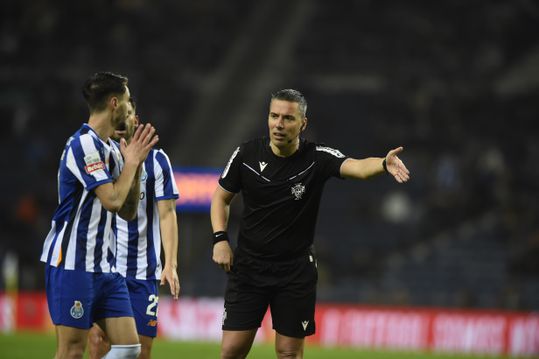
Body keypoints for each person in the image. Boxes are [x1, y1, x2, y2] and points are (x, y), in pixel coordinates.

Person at [211, 89, 410, 359]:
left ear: (303, 123)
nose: (279, 124)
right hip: (248, 268)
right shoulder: (246, 154)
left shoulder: (316, 158)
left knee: (289, 354)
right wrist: (220, 239)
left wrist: (383, 164)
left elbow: (357, 167)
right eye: (274, 116)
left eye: (288, 118)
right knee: (231, 351)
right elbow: (220, 198)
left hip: (294, 273)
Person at [40, 72, 158, 359]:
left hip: (105, 268)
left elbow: (128, 212)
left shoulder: (110, 150)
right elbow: (113, 201)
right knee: (72, 351)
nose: (132, 109)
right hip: (73, 264)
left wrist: (137, 162)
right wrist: (131, 161)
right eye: (129, 101)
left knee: (130, 348)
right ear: (115, 103)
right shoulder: (83, 145)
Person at [88, 99, 181, 359]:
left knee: (141, 350)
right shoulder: (99, 159)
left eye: (125, 116)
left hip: (142, 273)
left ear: (135, 121)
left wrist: (170, 263)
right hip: (103, 268)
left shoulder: (157, 161)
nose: (119, 121)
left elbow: (167, 213)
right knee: (97, 341)